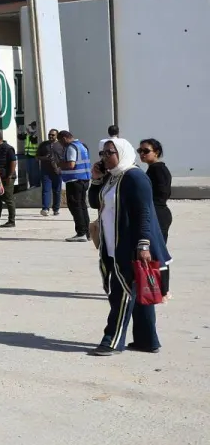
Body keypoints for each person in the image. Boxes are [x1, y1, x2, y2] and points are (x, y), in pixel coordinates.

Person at [87, 138, 169, 356]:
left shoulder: (135, 177)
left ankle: (111, 341)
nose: (104, 157)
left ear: (121, 152)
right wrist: (96, 181)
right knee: (139, 294)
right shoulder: (113, 177)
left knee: (122, 294)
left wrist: (144, 245)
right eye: (102, 153)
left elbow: (144, 214)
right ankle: (147, 340)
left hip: (130, 246)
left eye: (109, 153)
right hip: (112, 245)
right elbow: (95, 203)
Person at [138, 138, 172, 299]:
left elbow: (162, 193)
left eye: (146, 151)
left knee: (158, 252)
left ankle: (163, 290)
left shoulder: (157, 170)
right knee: (156, 251)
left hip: (158, 214)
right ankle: (159, 288)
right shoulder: (153, 169)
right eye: (140, 151)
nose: (142, 154)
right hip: (157, 212)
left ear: (156, 152)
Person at [59, 129, 92, 242]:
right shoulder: (81, 146)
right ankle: (87, 232)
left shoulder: (71, 147)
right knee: (82, 206)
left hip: (74, 181)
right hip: (83, 179)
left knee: (75, 206)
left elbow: (71, 164)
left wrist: (59, 164)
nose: (61, 144)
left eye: (60, 141)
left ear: (64, 138)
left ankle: (81, 232)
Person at [0, 130, 17, 228]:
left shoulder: (8, 148)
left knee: (8, 199)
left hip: (7, 178)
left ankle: (11, 221)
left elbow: (13, 162)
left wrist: (9, 176)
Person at [39, 129, 66, 217]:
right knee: (46, 190)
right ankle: (45, 208)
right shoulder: (43, 145)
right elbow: (37, 157)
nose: (51, 136)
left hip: (57, 171)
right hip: (46, 171)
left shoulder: (61, 145)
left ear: (57, 136)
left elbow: (65, 158)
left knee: (57, 191)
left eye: (53, 135)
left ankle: (56, 209)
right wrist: (45, 158)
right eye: (49, 135)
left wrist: (61, 168)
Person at [21, 121, 41, 191]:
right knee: (29, 171)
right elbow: (21, 137)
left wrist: (29, 133)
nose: (31, 127)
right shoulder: (29, 133)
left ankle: (37, 184)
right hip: (28, 155)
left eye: (32, 125)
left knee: (35, 172)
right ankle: (32, 184)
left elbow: (34, 140)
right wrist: (20, 131)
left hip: (34, 156)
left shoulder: (37, 133)